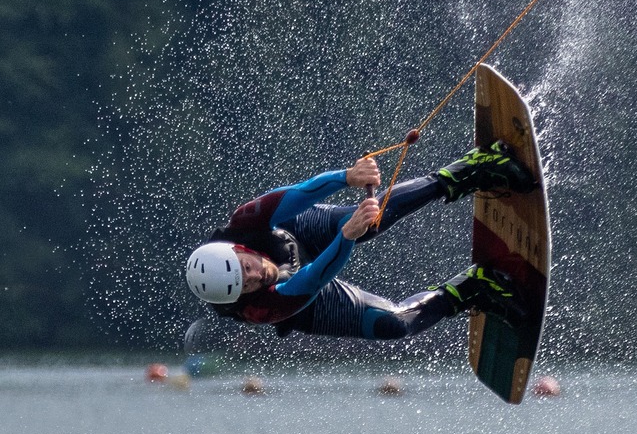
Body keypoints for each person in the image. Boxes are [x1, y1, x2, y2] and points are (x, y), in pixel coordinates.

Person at [184, 142, 536, 340]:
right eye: (246, 286)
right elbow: (313, 279)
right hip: (302, 299)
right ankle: (474, 289)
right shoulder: (259, 308)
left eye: (247, 268)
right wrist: (345, 237)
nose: (256, 277)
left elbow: (296, 194)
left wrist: (347, 177)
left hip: (295, 231)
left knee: (370, 221)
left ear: (241, 249)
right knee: (392, 325)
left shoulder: (244, 222)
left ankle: (468, 171)